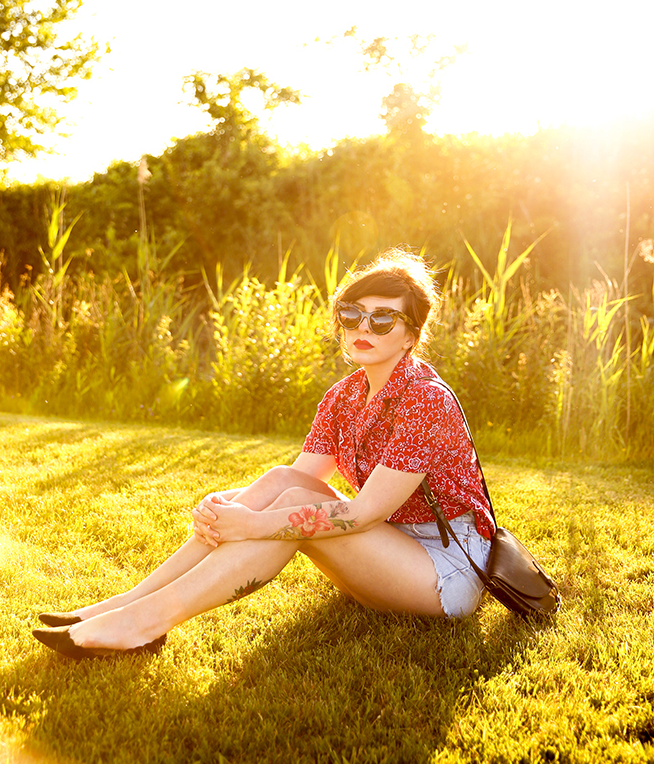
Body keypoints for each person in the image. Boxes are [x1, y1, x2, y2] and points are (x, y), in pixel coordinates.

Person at [33, 249, 495, 660]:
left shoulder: (424, 398)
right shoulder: (343, 397)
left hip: (445, 569)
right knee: (280, 482)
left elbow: (363, 514)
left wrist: (251, 523)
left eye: (382, 319)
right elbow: (293, 483)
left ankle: (145, 624)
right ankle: (125, 605)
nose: (362, 328)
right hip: (387, 552)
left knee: (293, 506)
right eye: (352, 315)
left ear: (410, 335)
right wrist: (226, 506)